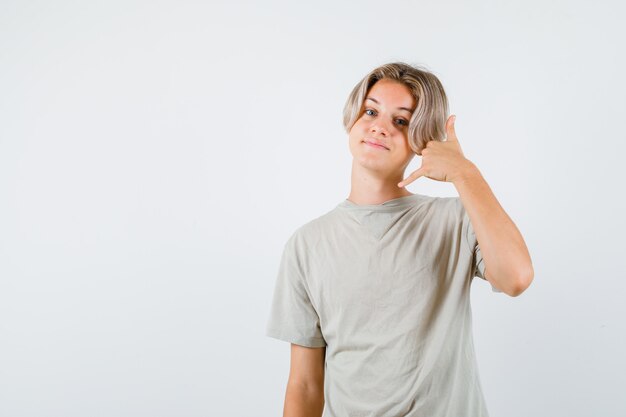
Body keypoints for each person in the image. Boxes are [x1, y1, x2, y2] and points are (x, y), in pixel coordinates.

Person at [265, 62, 534, 417]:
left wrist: (465, 173)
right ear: (352, 120)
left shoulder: (455, 219)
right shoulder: (306, 245)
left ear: (423, 140)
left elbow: (515, 278)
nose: (380, 126)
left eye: (401, 121)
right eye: (371, 111)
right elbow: (304, 385)